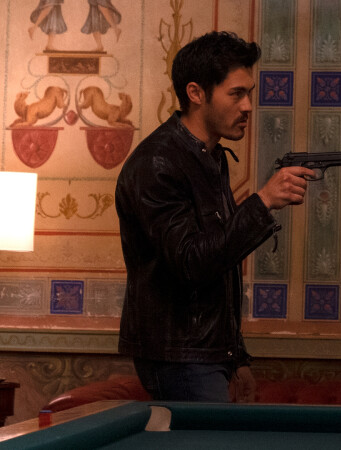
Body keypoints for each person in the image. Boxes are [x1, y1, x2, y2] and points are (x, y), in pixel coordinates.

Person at [115, 31, 314, 402]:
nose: (248, 106)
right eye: (236, 94)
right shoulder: (157, 163)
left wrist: (236, 357)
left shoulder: (208, 157)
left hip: (204, 355)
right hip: (179, 356)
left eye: (249, 93)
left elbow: (218, 266)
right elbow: (191, 262)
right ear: (196, 93)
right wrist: (263, 201)